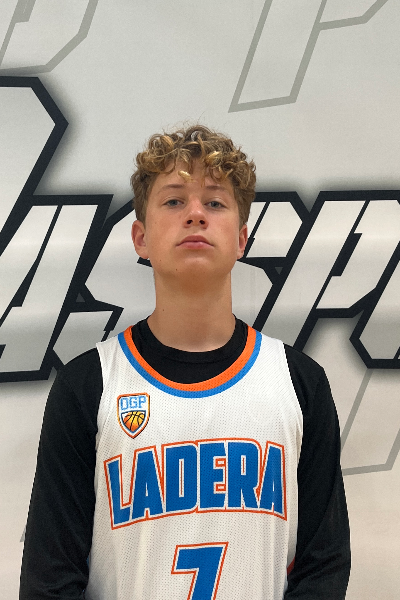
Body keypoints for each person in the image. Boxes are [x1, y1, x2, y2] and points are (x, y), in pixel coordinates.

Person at [20, 125, 350, 599]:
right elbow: (49, 579)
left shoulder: (299, 383)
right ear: (141, 238)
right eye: (174, 201)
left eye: (214, 202)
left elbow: (325, 564)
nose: (195, 214)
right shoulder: (89, 385)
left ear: (241, 238)